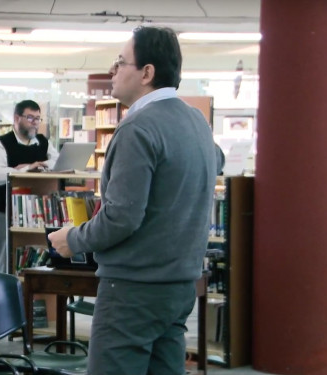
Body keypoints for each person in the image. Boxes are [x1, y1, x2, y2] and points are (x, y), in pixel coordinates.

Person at [47, 27, 222, 375]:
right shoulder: (196, 122)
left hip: (133, 292)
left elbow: (121, 217)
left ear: (147, 73)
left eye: (120, 62)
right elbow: (213, 162)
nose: (112, 71)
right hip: (179, 286)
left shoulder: (138, 128)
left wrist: (73, 239)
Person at [0, 99, 59, 273]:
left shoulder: (43, 142)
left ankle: (33, 295)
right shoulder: (0, 144)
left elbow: (58, 161)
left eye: (38, 118)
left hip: (37, 211)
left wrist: (42, 164)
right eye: (30, 118)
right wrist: (27, 168)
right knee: (5, 258)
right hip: (5, 210)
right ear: (17, 118)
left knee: (35, 254)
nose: (35, 123)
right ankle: (3, 294)